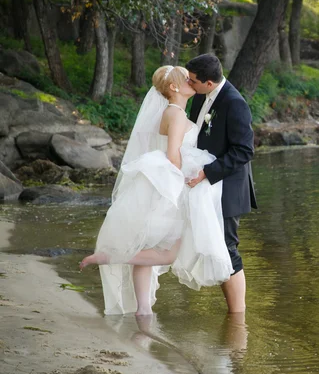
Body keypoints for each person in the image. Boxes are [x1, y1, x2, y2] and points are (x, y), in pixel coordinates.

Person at [80, 65, 234, 316]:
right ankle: (110, 257)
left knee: (148, 247)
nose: (191, 82)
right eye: (186, 80)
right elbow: (173, 154)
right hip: (171, 185)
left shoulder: (173, 111)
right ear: (174, 87)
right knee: (169, 253)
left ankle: (143, 310)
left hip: (160, 183)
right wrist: (184, 183)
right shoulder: (175, 114)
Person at [185, 54, 257, 313]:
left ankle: (238, 316)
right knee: (214, 247)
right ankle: (233, 313)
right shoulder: (199, 96)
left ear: (209, 83)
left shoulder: (235, 103)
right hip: (204, 187)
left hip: (226, 188)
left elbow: (244, 151)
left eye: (193, 81)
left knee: (227, 247)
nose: (189, 84)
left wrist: (207, 172)